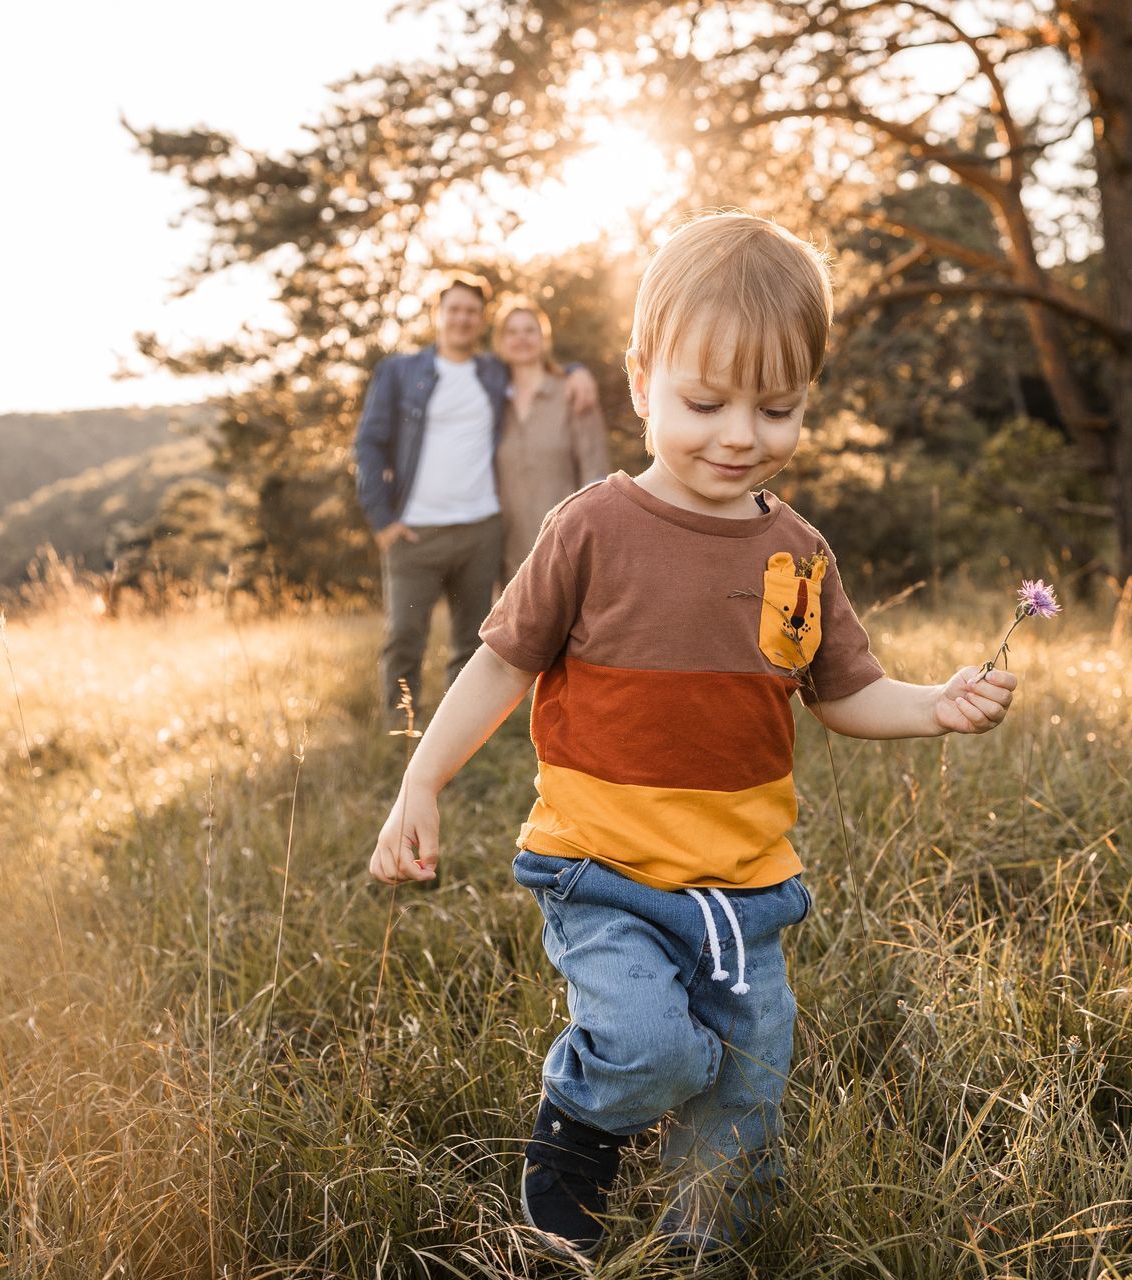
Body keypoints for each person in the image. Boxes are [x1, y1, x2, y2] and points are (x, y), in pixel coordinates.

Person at [364, 213, 1020, 1260]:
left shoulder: (799, 551)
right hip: (603, 871)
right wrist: (422, 780)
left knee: (747, 1088)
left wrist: (932, 702)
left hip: (745, 890)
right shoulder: (591, 527)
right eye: (705, 401)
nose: (739, 434)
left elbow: (843, 692)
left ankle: (696, 1246)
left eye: (779, 406)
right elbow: (500, 662)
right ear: (639, 380)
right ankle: (576, 1136)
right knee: (652, 1048)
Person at [354, 272, 600, 719]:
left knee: (472, 641)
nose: (462, 319)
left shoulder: (491, 373)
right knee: (404, 635)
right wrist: (382, 519)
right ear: (438, 314)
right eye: (454, 309)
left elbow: (538, 364)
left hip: (481, 529)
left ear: (480, 320)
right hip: (415, 532)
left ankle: (462, 730)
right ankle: (400, 731)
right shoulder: (400, 372)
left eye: (471, 311)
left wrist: (579, 372)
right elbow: (369, 443)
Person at [492, 298, 611, 578]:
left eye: (529, 330)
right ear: (500, 341)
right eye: (512, 331)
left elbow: (596, 474)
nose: (521, 338)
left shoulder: (573, 394)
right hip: (508, 553)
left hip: (566, 548)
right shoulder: (492, 401)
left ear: (544, 339)